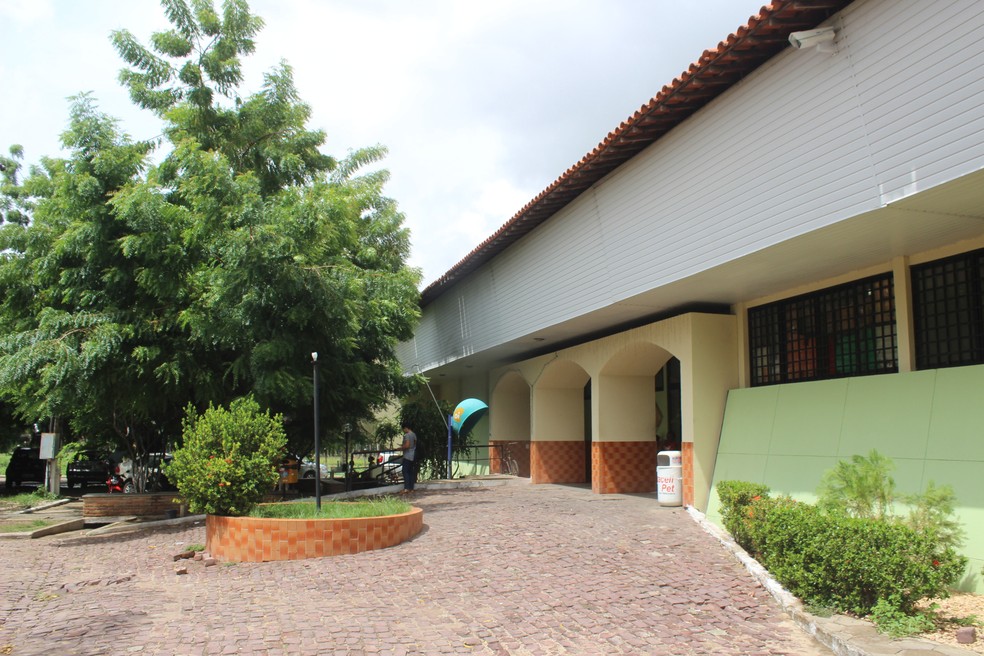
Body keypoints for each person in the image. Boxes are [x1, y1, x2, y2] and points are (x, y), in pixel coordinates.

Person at [400, 424, 417, 494]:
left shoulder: (407, 435)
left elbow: (407, 445)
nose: (403, 431)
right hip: (413, 455)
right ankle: (411, 488)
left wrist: (401, 448)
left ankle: (406, 488)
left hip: (407, 456)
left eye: (403, 429)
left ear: (406, 428)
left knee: (405, 471)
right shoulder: (414, 435)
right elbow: (415, 444)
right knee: (411, 472)